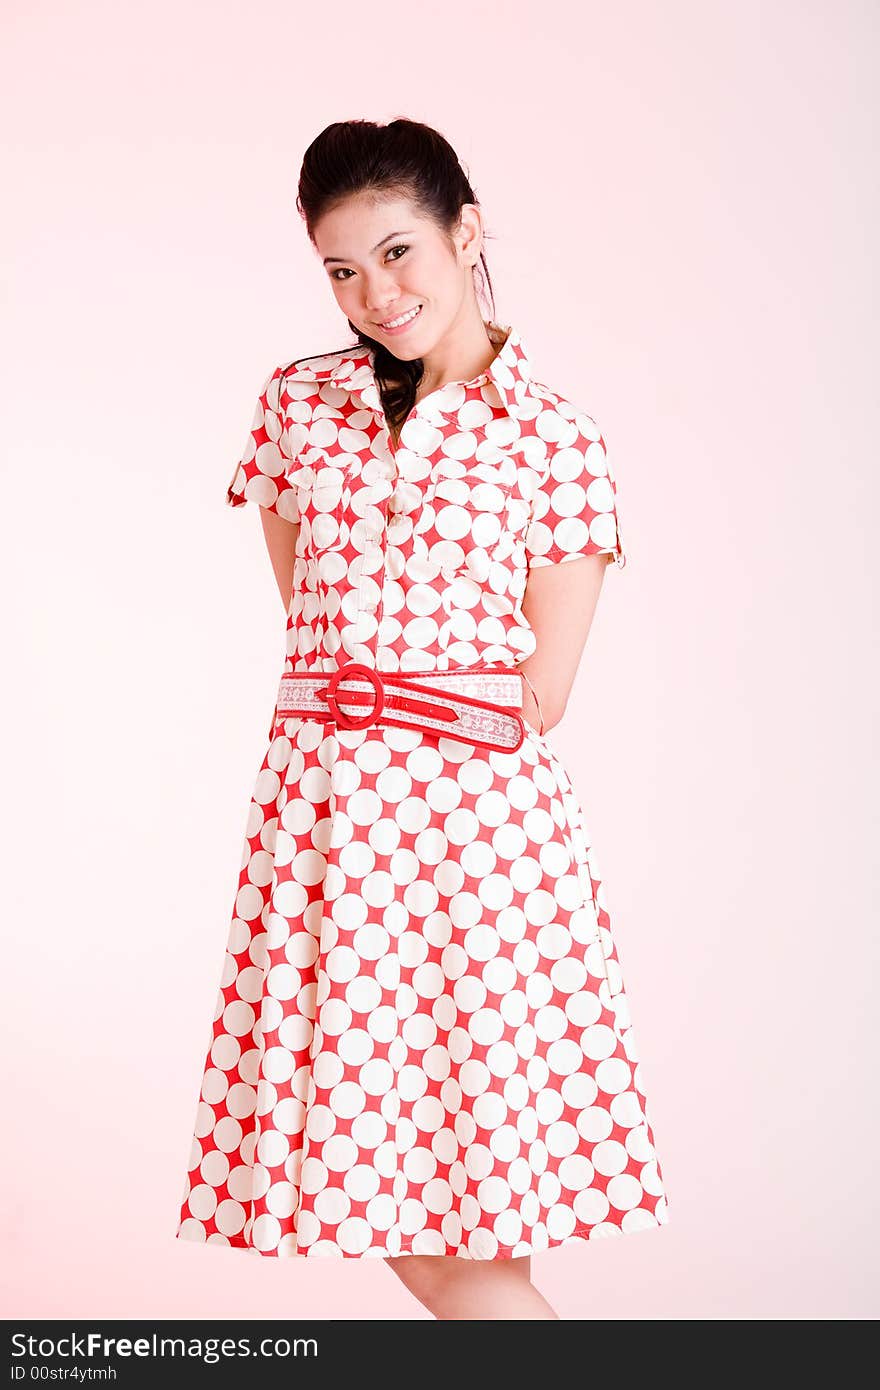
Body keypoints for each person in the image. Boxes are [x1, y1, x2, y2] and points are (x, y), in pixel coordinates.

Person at [175, 117, 669, 1320]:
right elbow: (317, 625)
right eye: (342, 270)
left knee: (460, 1204)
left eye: (397, 253)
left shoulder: (555, 440)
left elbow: (540, 691)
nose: (374, 294)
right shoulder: (297, 407)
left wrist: (410, 712)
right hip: (327, 828)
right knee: (382, 1192)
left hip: (476, 844)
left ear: (466, 230)